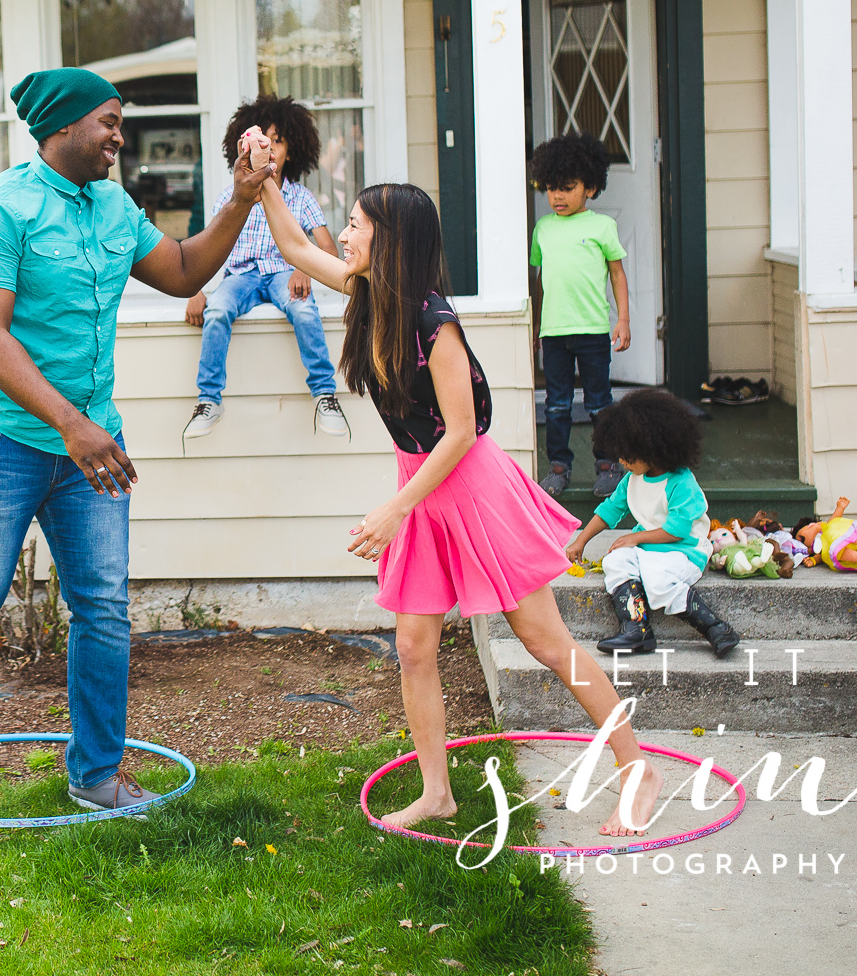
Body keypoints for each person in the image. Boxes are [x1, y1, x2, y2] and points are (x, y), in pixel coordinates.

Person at [0, 66, 275, 841]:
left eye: (119, 122)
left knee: (103, 606)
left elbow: (183, 267)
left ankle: (94, 773)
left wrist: (243, 198)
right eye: (108, 122)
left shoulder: (113, 205)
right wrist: (74, 428)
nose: (120, 136)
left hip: (90, 440)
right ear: (61, 126)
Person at [243, 143, 662, 837]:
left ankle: (634, 765)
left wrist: (395, 508)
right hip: (423, 486)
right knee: (414, 646)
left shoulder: (435, 326)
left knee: (545, 640)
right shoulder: (368, 291)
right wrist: (264, 183)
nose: (341, 235)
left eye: (353, 224)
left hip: (469, 488)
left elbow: (461, 431)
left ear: (392, 240)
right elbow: (290, 240)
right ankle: (437, 790)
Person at [183, 96, 349, 442]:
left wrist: (306, 268)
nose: (271, 147)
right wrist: (195, 289)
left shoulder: (301, 197)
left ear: (293, 149)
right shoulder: (232, 198)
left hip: (282, 275)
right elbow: (206, 248)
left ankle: (325, 394)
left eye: (279, 140)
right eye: (264, 140)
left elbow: (329, 249)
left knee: (303, 310)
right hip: (240, 277)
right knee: (216, 312)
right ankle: (209, 400)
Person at [563, 388, 739, 657]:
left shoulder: (681, 482)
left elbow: (677, 531)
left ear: (652, 448)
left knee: (657, 581)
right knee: (615, 561)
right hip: (649, 548)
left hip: (685, 549)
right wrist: (581, 540)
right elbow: (611, 510)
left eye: (627, 454)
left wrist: (635, 538)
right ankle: (636, 629)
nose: (621, 461)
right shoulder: (633, 478)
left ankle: (715, 627)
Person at [527, 133, 632, 498]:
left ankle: (607, 465)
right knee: (556, 404)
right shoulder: (543, 229)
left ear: (590, 187)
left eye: (567, 188)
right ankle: (558, 466)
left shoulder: (602, 227)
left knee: (599, 402)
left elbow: (617, 274)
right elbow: (540, 279)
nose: (557, 196)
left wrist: (623, 320)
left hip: (591, 331)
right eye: (552, 188)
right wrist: (536, 324)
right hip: (554, 333)